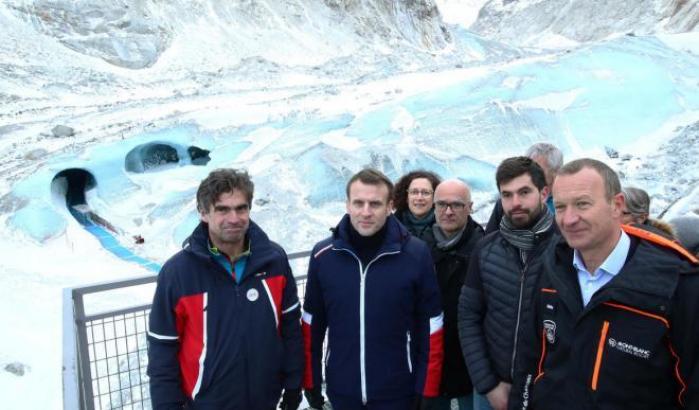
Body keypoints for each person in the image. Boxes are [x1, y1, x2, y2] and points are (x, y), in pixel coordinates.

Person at [514, 159, 699, 410]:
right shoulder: (550, 269)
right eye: (560, 207)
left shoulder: (677, 284)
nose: (568, 219)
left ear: (616, 205)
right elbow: (530, 357)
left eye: (582, 204)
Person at [147, 169, 303, 410]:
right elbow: (162, 349)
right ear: (203, 213)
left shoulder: (274, 260)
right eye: (222, 209)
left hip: (266, 401)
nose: (234, 218)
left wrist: (293, 385)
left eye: (241, 208)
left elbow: (291, 328)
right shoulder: (177, 273)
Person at [302, 168, 444, 410]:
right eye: (359, 203)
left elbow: (431, 326)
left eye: (375, 204)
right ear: (347, 204)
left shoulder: (415, 254)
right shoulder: (324, 256)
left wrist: (427, 387)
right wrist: (310, 379)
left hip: (398, 391)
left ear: (389, 206)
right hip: (342, 390)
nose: (365, 212)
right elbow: (311, 325)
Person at [458, 157, 557, 410]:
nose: (516, 203)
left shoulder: (565, 250)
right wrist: (488, 384)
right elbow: (468, 315)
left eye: (524, 192)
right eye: (507, 194)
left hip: (547, 391)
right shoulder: (486, 249)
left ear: (543, 193)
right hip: (492, 390)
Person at [426, 180, 484, 410]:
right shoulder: (419, 248)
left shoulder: (486, 249)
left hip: (473, 365)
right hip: (432, 363)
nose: (448, 211)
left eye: (456, 205)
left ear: (470, 207)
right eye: (442, 204)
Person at [485, 143, 563, 234]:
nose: (532, 173)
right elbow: (488, 237)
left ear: (556, 172)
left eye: (538, 169)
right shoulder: (503, 203)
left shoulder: (566, 203)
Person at [393, 170, 442, 244]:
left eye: (426, 193)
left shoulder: (445, 226)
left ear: (435, 197)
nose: (419, 198)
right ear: (406, 197)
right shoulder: (390, 226)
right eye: (414, 192)